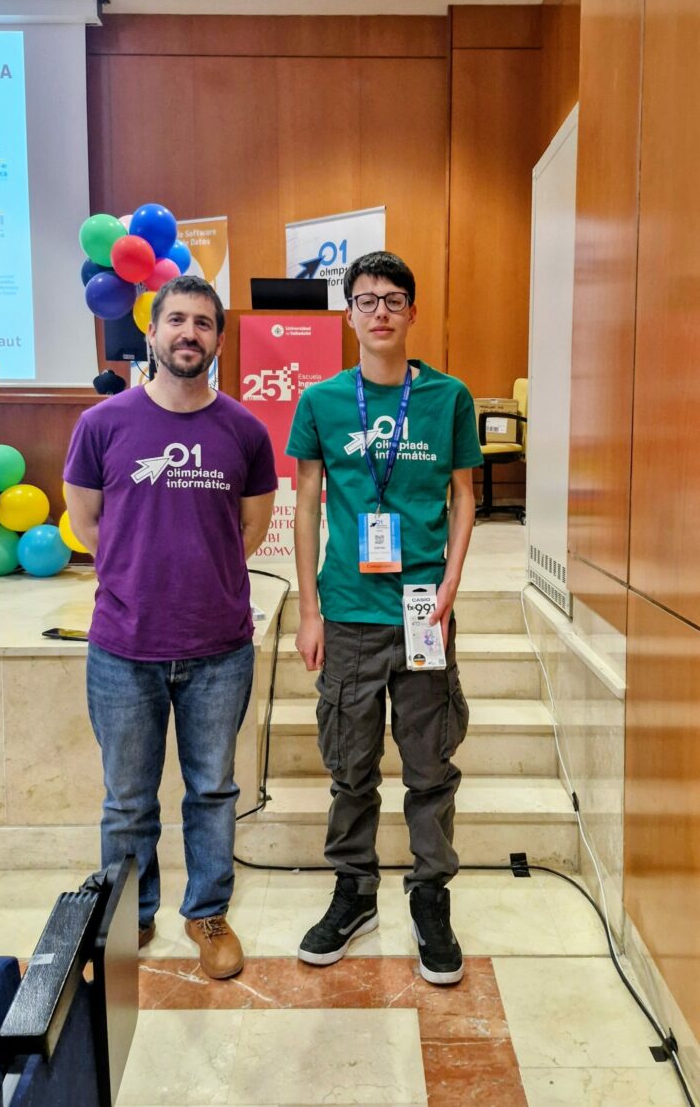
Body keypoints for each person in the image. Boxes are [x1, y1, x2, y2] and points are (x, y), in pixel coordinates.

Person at [64, 275, 277, 979]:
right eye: (177, 320)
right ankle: (131, 914)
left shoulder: (245, 431)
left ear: (218, 339)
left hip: (219, 648)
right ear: (151, 333)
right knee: (128, 799)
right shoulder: (103, 425)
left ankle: (206, 912)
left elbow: (250, 530)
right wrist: (139, 575)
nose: (190, 333)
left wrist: (197, 578)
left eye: (204, 323)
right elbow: (87, 523)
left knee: (213, 791)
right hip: (124, 648)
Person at [286, 251, 483, 985]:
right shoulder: (322, 401)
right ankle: (355, 890)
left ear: (411, 312)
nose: (380, 312)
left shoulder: (448, 397)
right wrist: (309, 609)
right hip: (348, 611)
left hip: (424, 610)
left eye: (393, 299)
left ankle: (430, 896)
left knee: (431, 764)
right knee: (350, 766)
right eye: (366, 300)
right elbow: (307, 506)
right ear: (348, 315)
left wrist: (452, 581)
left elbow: (465, 495)